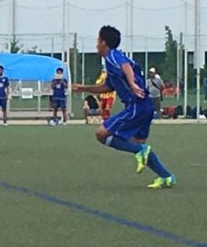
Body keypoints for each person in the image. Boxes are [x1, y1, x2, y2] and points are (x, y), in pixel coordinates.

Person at [73, 25, 176, 189]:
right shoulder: (112, 62)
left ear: (103, 42)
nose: (96, 44)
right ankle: (167, 177)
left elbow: (125, 66)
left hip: (136, 106)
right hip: (145, 106)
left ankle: (141, 151)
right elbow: (108, 87)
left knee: (101, 134)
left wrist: (132, 84)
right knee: (136, 143)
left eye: (98, 40)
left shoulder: (112, 56)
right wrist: (84, 88)